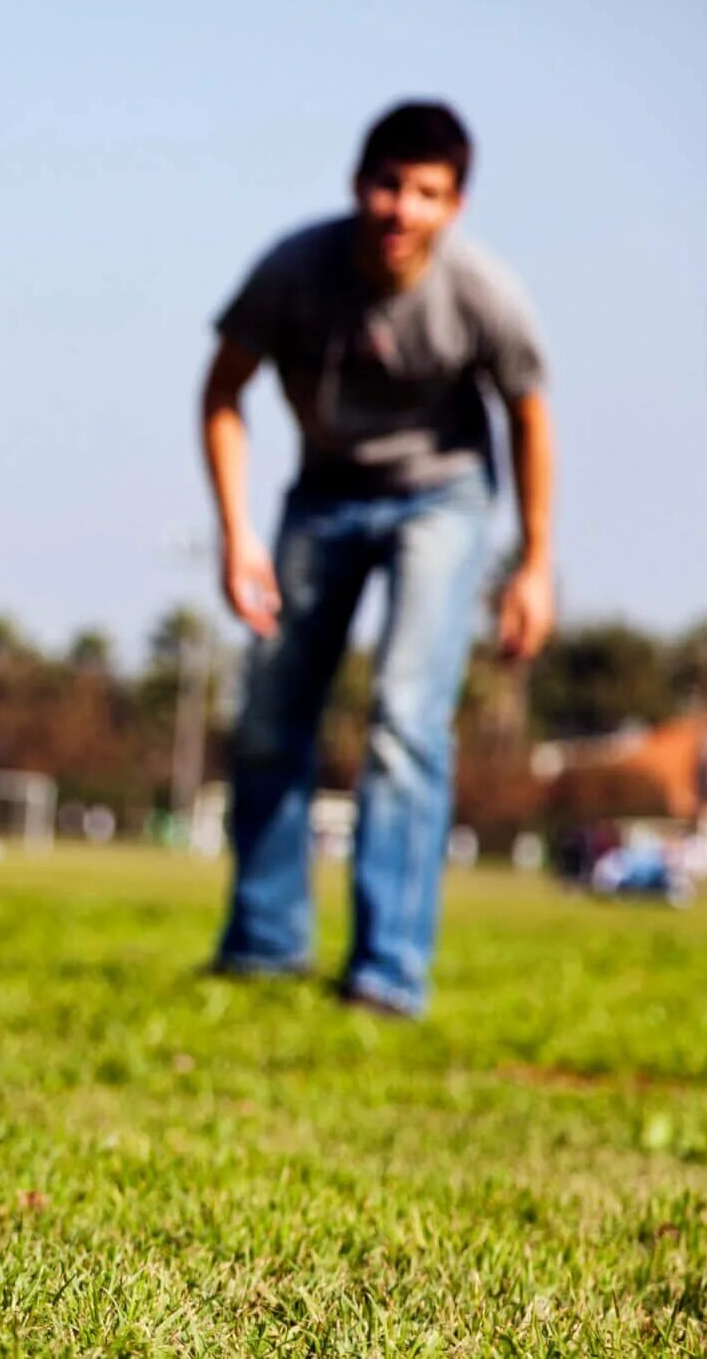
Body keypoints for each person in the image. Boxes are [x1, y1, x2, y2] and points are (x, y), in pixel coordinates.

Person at [199, 102, 555, 1017]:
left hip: (442, 499)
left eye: (427, 193)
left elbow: (528, 416)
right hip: (322, 493)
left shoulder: (481, 293)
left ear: (456, 205)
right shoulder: (296, 270)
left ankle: (388, 969)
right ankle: (265, 943)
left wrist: (534, 561)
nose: (402, 209)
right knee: (274, 710)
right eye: (389, 185)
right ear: (360, 184)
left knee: (404, 714)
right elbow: (223, 392)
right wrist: (237, 533)